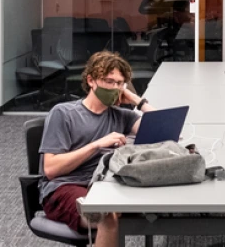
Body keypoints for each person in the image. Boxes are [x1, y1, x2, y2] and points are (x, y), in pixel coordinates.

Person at [38, 51, 156, 247]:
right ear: (91, 80)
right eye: (109, 82)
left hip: (106, 183)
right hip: (64, 186)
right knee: (107, 215)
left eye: (119, 83)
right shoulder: (64, 113)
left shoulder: (121, 115)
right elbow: (50, 170)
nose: (115, 87)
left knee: (149, 205)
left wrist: (136, 101)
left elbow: (166, 130)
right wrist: (97, 144)